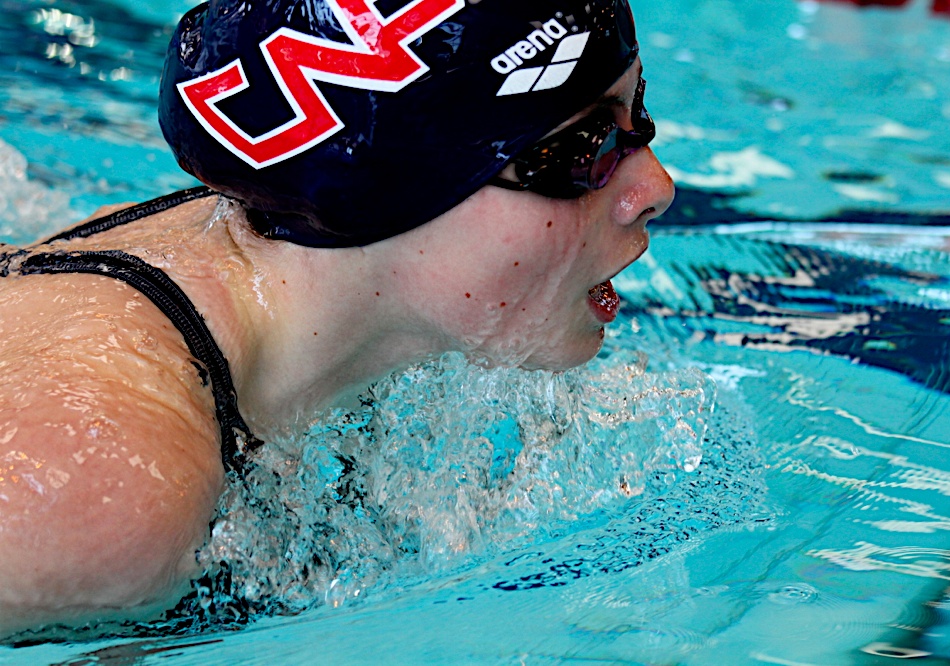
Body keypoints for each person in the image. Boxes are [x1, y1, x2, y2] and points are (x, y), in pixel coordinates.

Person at [0, 0, 673, 635]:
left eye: (636, 111)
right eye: (582, 152)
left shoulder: (309, 283)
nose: (655, 189)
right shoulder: (93, 489)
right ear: (392, 189)